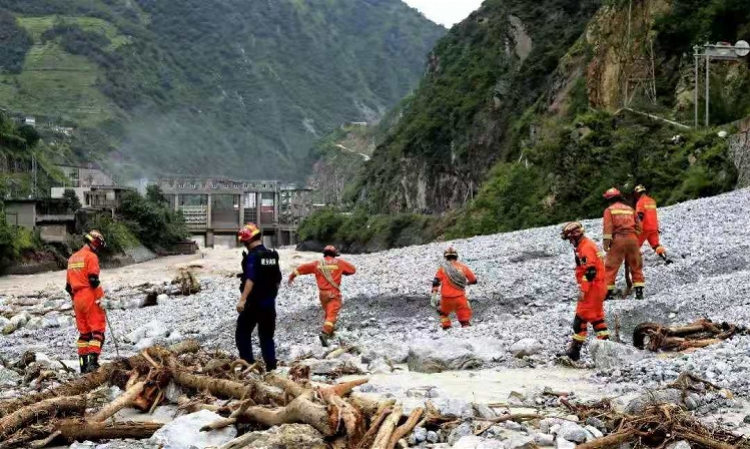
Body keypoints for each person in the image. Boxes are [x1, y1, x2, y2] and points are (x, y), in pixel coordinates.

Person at [288, 245, 356, 347]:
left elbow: (303, 268)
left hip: (322, 294)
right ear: (334, 254)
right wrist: (342, 271)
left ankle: (330, 332)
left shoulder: (317, 263)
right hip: (333, 293)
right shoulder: (339, 263)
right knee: (332, 314)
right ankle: (325, 333)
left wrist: (292, 275)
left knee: (328, 313)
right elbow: (352, 270)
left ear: (324, 253)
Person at [560, 222, 610, 361]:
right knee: (597, 319)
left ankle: (574, 351)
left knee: (580, 320)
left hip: (592, 288)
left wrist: (583, 290)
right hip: (599, 287)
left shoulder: (586, 247)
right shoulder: (588, 245)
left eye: (570, 239)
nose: (570, 242)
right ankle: (606, 348)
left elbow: (590, 271)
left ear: (575, 236)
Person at [236, 223, 281, 371]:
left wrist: (242, 300)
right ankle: (271, 368)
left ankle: (248, 365)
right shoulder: (272, 255)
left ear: (248, 240)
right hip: (269, 304)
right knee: (267, 336)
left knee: (242, 332)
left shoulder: (253, 256)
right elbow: (277, 279)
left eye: (244, 242)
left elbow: (250, 279)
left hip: (254, 304)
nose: (244, 245)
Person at [66, 230, 107, 373]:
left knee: (84, 334)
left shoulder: (72, 259)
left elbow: (68, 287)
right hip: (89, 296)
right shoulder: (91, 257)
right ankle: (93, 364)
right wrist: (101, 298)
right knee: (98, 331)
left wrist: (75, 301)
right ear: (95, 243)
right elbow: (93, 280)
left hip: (77, 298)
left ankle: (83, 366)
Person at [602, 187, 645, 300]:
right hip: (633, 239)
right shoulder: (630, 209)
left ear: (609, 199)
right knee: (636, 265)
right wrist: (633, 237)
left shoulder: (609, 210)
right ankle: (639, 292)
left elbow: (608, 230)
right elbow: (640, 228)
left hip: (618, 240)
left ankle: (608, 293)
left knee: (611, 266)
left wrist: (606, 245)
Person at [431, 246, 478, 329]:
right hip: (460, 298)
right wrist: (466, 283)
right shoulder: (463, 267)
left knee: (443, 313)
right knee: (464, 313)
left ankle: (446, 326)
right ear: (456, 256)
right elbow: (474, 280)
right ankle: (465, 325)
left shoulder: (443, 269)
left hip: (446, 299)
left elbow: (436, 281)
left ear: (446, 257)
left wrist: (434, 294)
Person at [634, 185, 673, 264]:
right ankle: (665, 258)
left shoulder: (640, 202)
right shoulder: (652, 201)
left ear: (637, 194)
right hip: (654, 228)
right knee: (656, 245)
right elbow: (653, 214)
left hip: (644, 228)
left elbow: (640, 216)